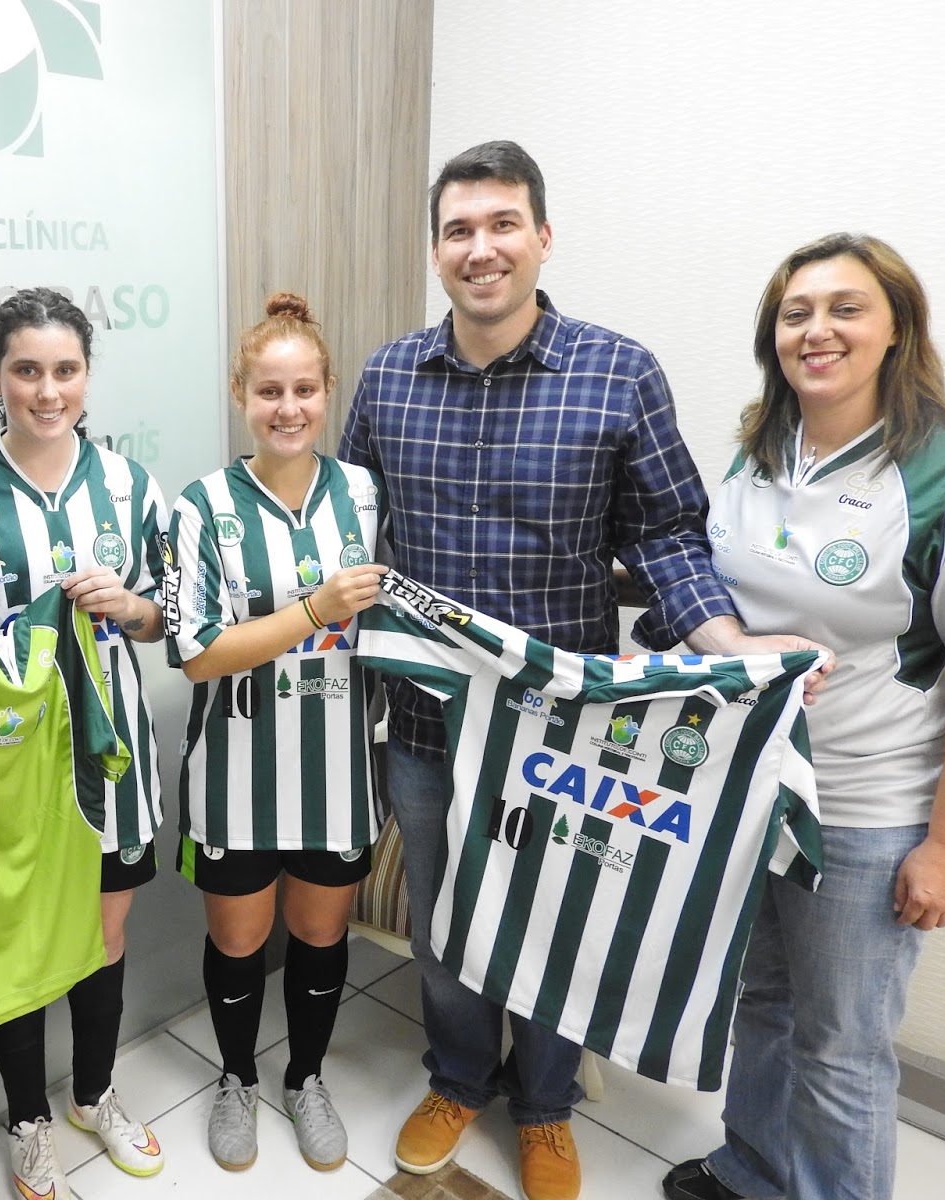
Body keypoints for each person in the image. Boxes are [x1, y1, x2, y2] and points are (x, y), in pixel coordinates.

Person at [339, 141, 822, 1200]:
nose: (481, 248)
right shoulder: (386, 377)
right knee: (444, 922)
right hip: (426, 724)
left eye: (502, 224)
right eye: (459, 230)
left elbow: (668, 533)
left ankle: (545, 1103)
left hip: (563, 735)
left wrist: (728, 646)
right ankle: (458, 1076)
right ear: (436, 249)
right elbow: (349, 528)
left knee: (560, 916)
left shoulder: (617, 372)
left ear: (543, 237)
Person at [661, 234, 945, 1200]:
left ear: (898, 328)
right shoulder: (758, 452)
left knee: (842, 1049)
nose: (817, 331)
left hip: (864, 813)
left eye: (846, 308)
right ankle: (751, 1169)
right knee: (764, 1001)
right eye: (796, 313)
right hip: (755, 791)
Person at [0, 287, 168, 1199]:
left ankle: (94, 1094)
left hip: (112, 755)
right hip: (12, 763)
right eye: (27, 370)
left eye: (65, 370)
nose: (47, 390)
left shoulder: (131, 487)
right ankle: (28, 1119)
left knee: (104, 934)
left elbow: (168, 620)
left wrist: (130, 606)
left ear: (88, 375)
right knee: (19, 943)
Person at [165, 292, 387, 1174]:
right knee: (239, 943)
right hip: (236, 770)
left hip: (338, 766)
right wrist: (315, 609)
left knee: (321, 937)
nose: (288, 408)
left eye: (304, 390)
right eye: (269, 391)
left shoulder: (363, 493)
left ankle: (305, 1078)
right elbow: (197, 656)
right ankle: (236, 1080)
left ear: (328, 391)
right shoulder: (201, 507)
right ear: (240, 395)